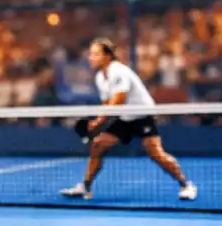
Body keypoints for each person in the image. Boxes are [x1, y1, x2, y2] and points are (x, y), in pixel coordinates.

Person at [61, 38, 200, 202]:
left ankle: (186, 185)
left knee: (155, 153)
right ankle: (85, 186)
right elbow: (107, 103)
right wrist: (98, 122)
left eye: (95, 54)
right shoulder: (100, 77)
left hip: (142, 115)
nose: (90, 57)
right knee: (98, 144)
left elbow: (118, 99)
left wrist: (98, 122)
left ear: (107, 56)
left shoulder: (118, 71)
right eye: (90, 54)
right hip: (125, 117)